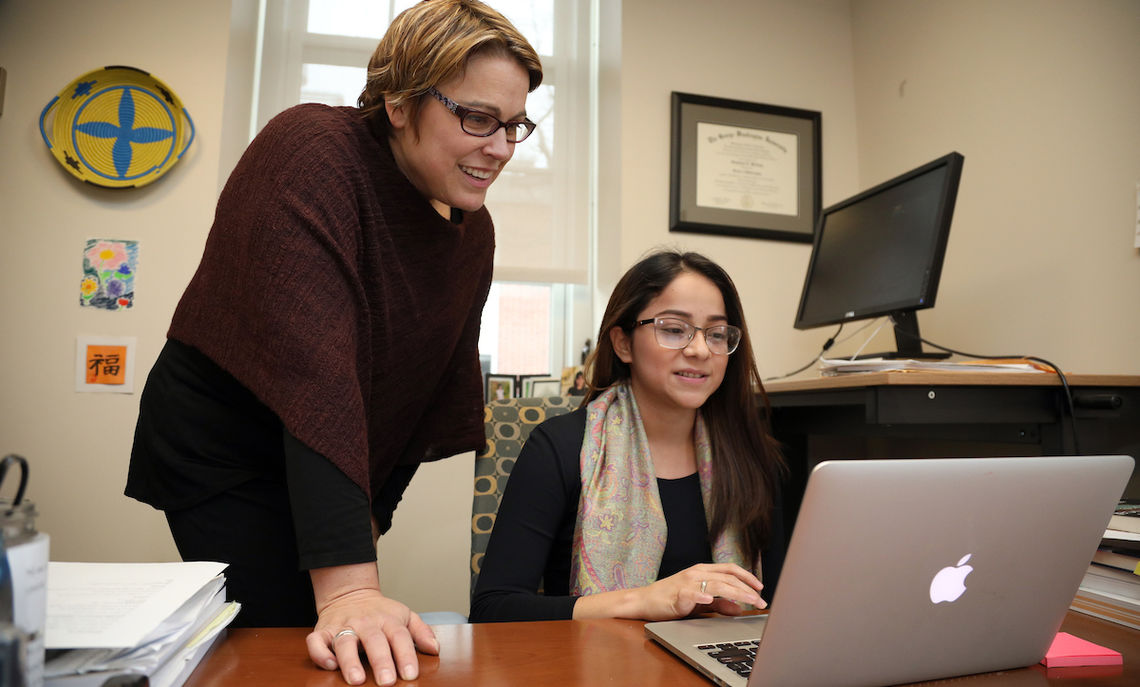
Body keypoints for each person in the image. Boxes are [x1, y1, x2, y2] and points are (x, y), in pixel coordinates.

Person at [124, 1, 542, 684]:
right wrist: (349, 587)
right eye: (477, 118)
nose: (500, 146)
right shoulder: (313, 151)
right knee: (293, 636)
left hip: (332, 451)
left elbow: (430, 390)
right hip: (227, 448)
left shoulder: (474, 231)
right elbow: (313, 372)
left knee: (336, 635)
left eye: (514, 124)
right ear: (401, 102)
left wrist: (370, 517)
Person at [469, 250, 786, 623]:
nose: (700, 350)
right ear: (623, 343)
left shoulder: (753, 457)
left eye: (717, 334)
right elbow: (493, 610)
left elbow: (777, 606)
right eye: (673, 329)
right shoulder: (559, 448)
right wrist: (645, 600)